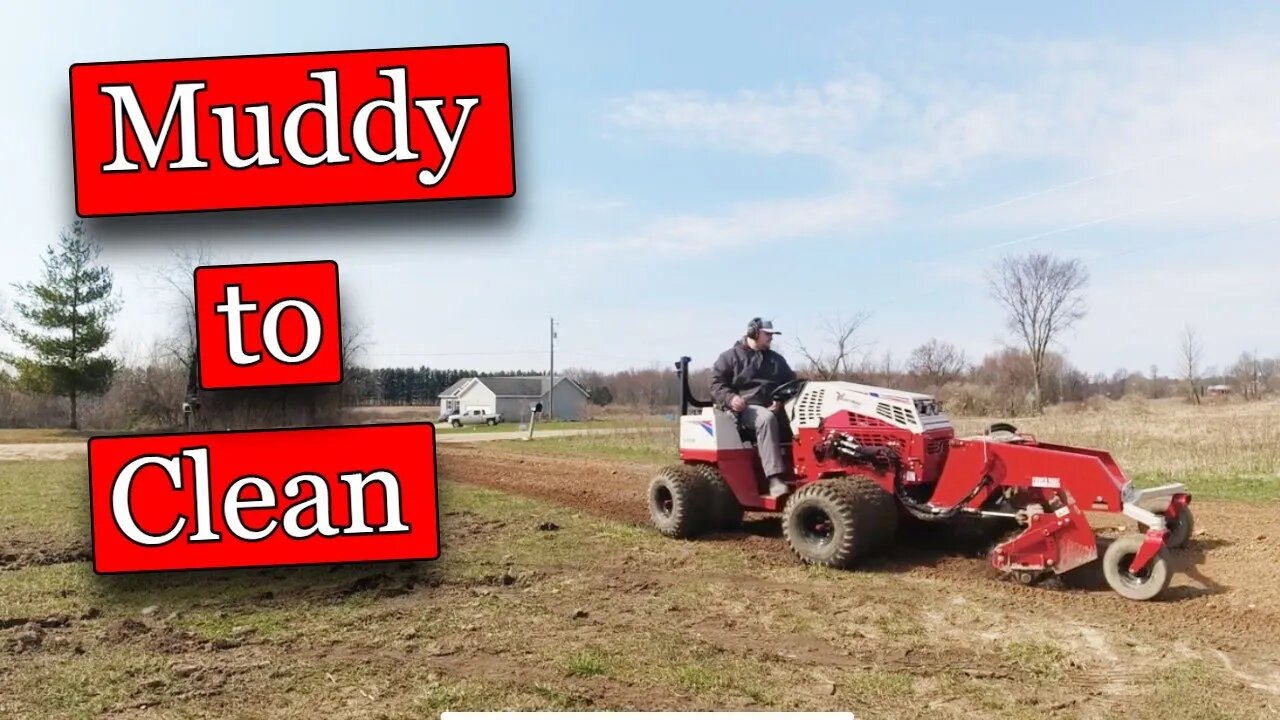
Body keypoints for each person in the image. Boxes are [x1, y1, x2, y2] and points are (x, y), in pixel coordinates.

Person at [708, 317, 797, 497]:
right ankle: (775, 478)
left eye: (772, 335)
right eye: (767, 334)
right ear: (753, 332)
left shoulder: (776, 360)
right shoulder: (730, 357)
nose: (771, 338)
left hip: (774, 408)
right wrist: (731, 398)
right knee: (766, 419)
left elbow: (791, 383)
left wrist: (780, 401)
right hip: (743, 410)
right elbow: (715, 383)